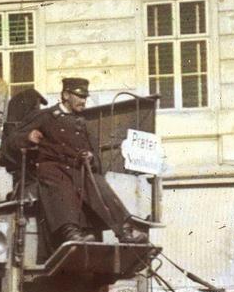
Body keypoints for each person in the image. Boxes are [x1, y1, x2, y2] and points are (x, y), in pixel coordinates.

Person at [22, 78, 151, 249]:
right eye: (79, 96)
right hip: (52, 168)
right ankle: (71, 232)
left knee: (98, 184)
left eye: (85, 98)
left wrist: (91, 157)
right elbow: (12, 140)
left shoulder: (82, 123)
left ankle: (125, 231)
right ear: (66, 95)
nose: (83, 101)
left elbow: (97, 157)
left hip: (78, 169)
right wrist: (28, 137)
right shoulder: (45, 117)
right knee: (61, 185)